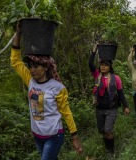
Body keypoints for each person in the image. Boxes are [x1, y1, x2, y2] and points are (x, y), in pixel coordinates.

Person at [10, 23, 82, 160]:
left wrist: (75, 136)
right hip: (37, 135)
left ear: (45, 67)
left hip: (54, 136)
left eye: (36, 66)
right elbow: (15, 61)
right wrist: (18, 34)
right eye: (30, 66)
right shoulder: (30, 81)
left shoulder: (57, 88)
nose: (32, 70)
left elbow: (66, 112)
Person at [88, 44, 130, 154]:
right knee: (102, 131)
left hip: (112, 108)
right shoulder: (97, 76)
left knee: (107, 130)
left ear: (110, 67)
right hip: (99, 108)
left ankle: (111, 152)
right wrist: (94, 51)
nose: (103, 67)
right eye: (101, 64)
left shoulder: (116, 78)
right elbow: (90, 64)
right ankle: (108, 148)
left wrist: (126, 106)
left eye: (105, 65)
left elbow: (120, 93)